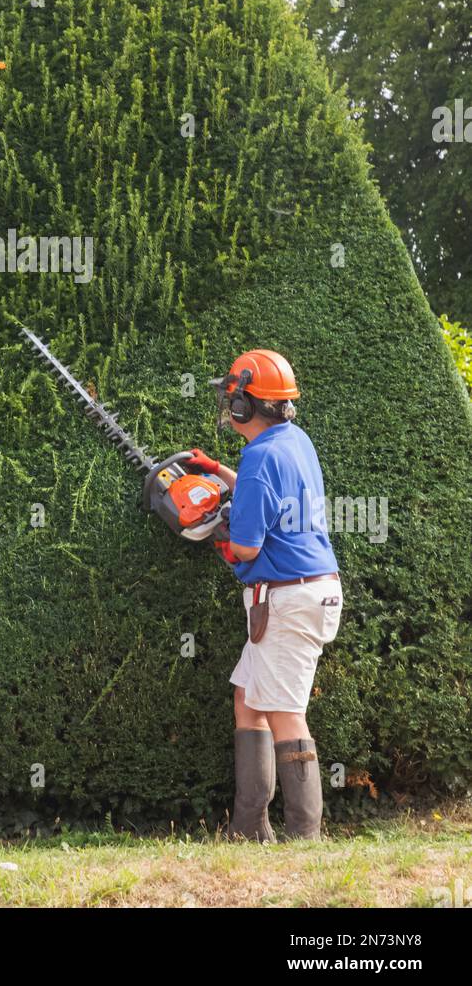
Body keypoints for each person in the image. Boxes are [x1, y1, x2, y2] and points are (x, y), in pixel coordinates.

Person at [187, 350, 342, 843]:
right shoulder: (293, 442)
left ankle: (305, 835)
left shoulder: (259, 457)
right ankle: (250, 827)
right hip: (303, 591)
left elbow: (247, 545)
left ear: (243, 406)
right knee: (249, 700)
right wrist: (218, 473)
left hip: (287, 599)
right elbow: (267, 494)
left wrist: (211, 533)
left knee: (285, 711)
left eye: (232, 397)